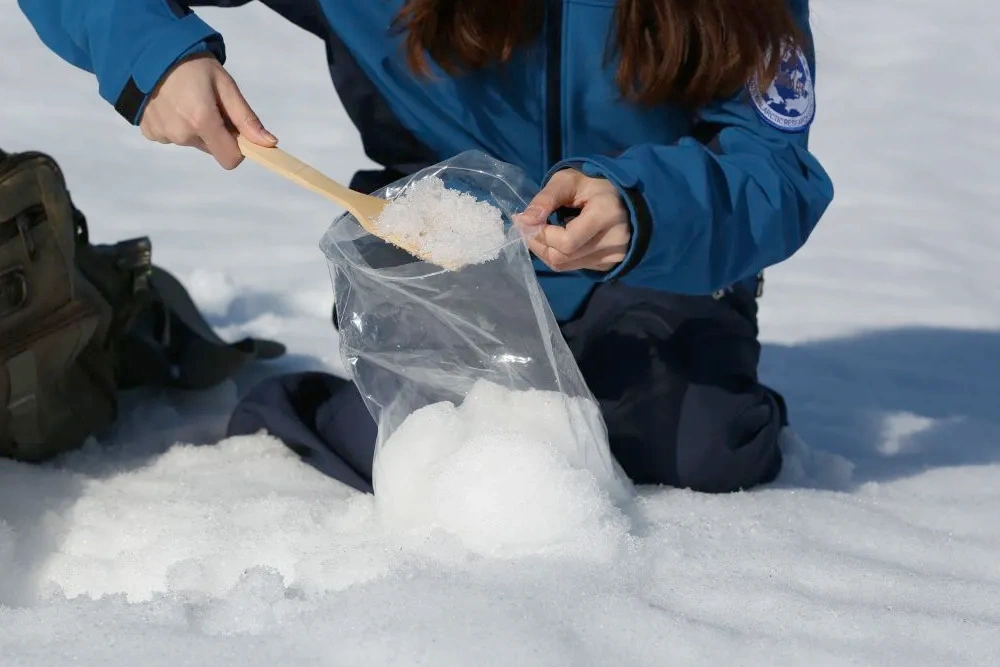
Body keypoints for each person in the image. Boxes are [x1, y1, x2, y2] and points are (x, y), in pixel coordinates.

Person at [18, 0, 834, 493]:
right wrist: (155, 57)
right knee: (444, 451)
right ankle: (271, 401)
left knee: (698, 443)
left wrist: (643, 209)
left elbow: (775, 167)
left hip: (653, 262)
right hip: (437, 250)